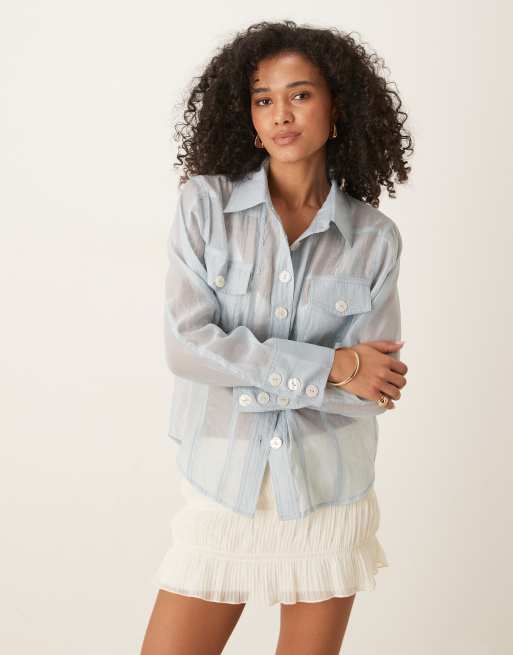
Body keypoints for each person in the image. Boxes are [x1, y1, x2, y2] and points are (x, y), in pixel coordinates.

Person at [141, 19, 412, 655]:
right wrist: (333, 364)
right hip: (220, 486)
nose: (281, 114)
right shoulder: (204, 208)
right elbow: (186, 346)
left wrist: (251, 368)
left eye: (300, 94)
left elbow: (373, 391)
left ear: (337, 107)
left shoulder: (374, 239)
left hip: (327, 496)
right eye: (263, 99)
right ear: (249, 117)